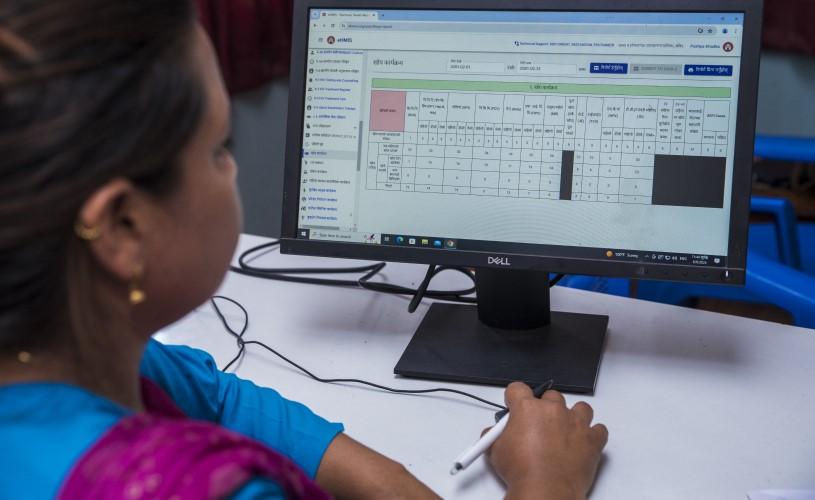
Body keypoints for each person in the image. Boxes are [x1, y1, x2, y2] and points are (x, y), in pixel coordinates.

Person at [0, 1, 608, 498]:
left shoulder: (74, 353)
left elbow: (215, 397)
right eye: (219, 146)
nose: (233, 168)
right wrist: (544, 481)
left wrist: (397, 486)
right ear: (123, 230)